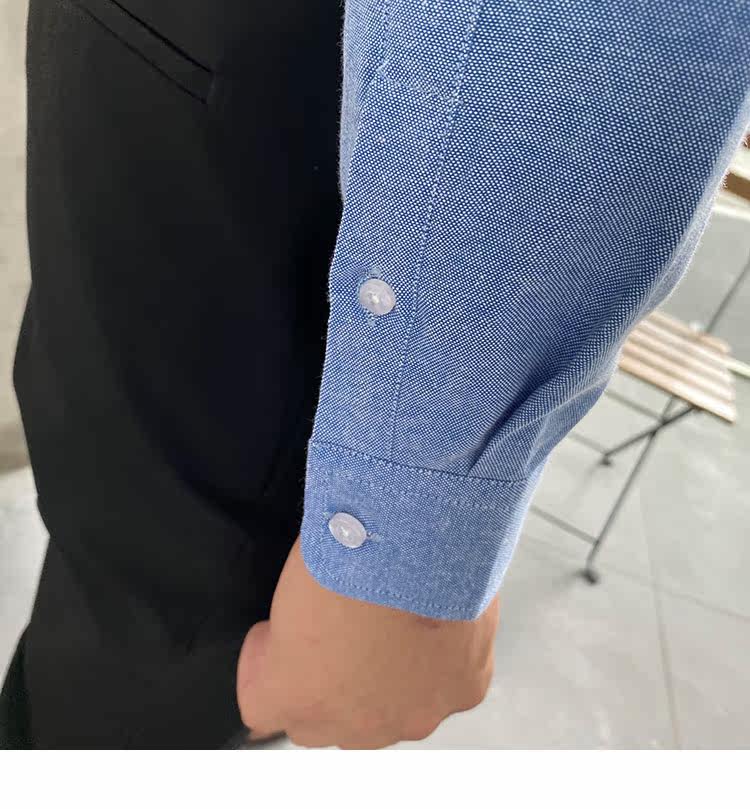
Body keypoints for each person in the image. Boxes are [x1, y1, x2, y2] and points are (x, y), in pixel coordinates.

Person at [1, 0, 748, 749]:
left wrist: (396, 525)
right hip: (191, 78)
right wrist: (402, 531)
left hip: (242, 81)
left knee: (139, 626)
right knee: (123, 583)